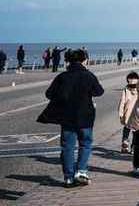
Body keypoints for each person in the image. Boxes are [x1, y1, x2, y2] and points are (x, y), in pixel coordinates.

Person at [37, 48, 104, 188]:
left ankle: (68, 177)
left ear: (68, 61)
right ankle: (81, 171)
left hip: (67, 117)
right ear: (84, 60)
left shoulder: (62, 77)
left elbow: (49, 94)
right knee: (85, 144)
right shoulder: (88, 75)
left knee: (67, 147)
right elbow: (99, 91)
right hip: (85, 117)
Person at [118, 72, 139, 153]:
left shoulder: (126, 90)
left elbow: (122, 102)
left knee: (126, 129)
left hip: (127, 113)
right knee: (136, 132)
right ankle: (134, 147)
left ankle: (125, 143)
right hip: (136, 115)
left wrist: (120, 113)